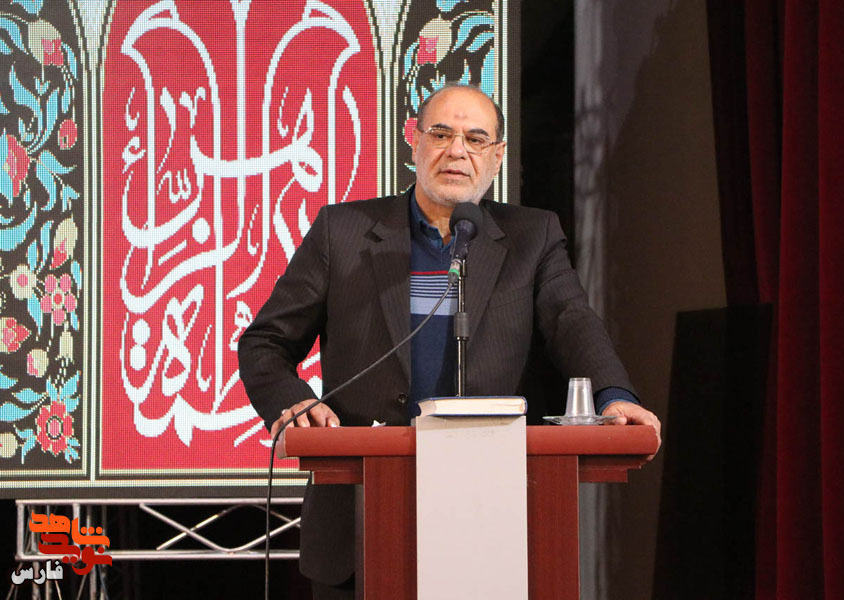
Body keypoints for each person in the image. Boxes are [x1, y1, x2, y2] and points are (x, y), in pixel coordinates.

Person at [238, 83, 661, 599]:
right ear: (413, 141)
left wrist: (613, 395)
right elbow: (265, 342)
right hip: (360, 519)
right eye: (441, 134)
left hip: (493, 517)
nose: (457, 151)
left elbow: (571, 320)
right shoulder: (342, 231)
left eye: (476, 139)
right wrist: (293, 402)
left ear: (498, 156)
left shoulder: (533, 236)